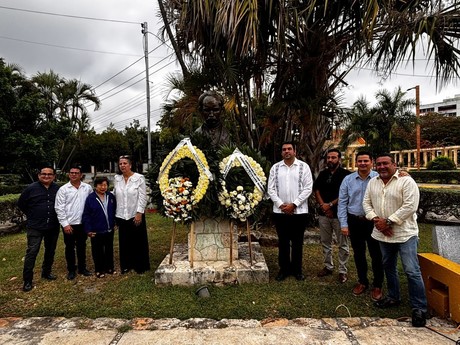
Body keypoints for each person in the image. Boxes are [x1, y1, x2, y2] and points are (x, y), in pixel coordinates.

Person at [363, 153, 428, 327]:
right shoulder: (373, 182)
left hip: (405, 234)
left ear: (394, 164)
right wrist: (377, 220)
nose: (382, 167)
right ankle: (393, 297)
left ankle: (419, 308)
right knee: (388, 267)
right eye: (379, 164)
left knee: (411, 270)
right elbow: (366, 203)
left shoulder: (406, 181)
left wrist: (388, 221)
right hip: (383, 234)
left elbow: (410, 206)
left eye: (385, 163)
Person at [338, 151, 384, 301]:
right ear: (356, 162)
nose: (363, 163)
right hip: (355, 221)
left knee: (376, 254)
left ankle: (378, 285)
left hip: (374, 222)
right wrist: (344, 224)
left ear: (372, 162)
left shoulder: (379, 177)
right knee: (359, 254)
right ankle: (362, 281)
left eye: (366, 161)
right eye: (360, 161)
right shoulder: (348, 180)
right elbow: (343, 202)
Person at [267, 141, 313, 281]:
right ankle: (284, 270)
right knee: (283, 242)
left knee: (298, 242)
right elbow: (271, 189)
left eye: (289, 149)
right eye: (284, 149)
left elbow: (308, 188)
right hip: (280, 212)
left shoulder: (303, 167)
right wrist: (282, 205)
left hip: (299, 212)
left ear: (294, 151)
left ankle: (297, 270)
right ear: (281, 152)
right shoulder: (275, 168)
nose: (286, 151)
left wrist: (294, 204)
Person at [18, 166, 60, 292]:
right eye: (44, 174)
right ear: (39, 175)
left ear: (53, 176)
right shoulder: (31, 188)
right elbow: (21, 203)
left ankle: (46, 272)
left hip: (52, 225)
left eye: (49, 174)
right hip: (35, 226)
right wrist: (32, 215)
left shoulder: (57, 189)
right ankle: (27, 280)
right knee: (32, 252)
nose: (46, 176)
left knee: (50, 250)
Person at [313, 148, 351, 283]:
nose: (330, 160)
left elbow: (345, 194)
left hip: (340, 216)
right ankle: (328, 266)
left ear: (339, 159)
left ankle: (342, 270)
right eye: (328, 158)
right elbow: (316, 190)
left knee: (343, 244)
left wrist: (330, 205)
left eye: (333, 157)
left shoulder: (346, 175)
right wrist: (323, 205)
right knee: (325, 242)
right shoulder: (323, 174)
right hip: (324, 215)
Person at [54, 164, 93, 280]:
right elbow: (59, 207)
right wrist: (65, 224)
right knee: (69, 247)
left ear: (81, 175)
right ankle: (71, 269)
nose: (73, 175)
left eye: (76, 173)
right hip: (69, 224)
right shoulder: (63, 189)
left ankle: (82, 268)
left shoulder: (87, 188)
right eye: (71, 173)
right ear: (68, 175)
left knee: (82, 246)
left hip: (82, 223)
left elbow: (91, 205)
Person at [113, 155, 150, 274]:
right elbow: (115, 194)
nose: (122, 166)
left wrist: (139, 213)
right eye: (120, 164)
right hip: (121, 215)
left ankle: (140, 265)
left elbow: (143, 197)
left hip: (135, 214)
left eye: (125, 163)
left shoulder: (139, 178)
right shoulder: (117, 179)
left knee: (138, 240)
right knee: (124, 241)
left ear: (130, 165)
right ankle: (126, 265)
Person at [82, 177, 116, 278]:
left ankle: (109, 267)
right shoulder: (90, 198)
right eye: (100, 185)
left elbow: (114, 210)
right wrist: (88, 229)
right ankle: (99, 269)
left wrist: (115, 222)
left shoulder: (110, 196)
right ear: (95, 186)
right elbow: (86, 215)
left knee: (109, 249)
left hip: (109, 229)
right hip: (96, 230)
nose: (103, 187)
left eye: (105, 185)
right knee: (97, 251)